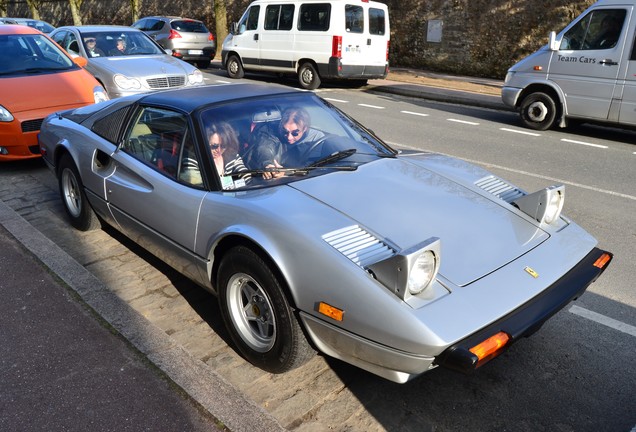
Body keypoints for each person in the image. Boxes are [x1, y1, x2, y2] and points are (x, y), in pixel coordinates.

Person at [247, 107, 324, 180]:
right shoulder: (272, 131)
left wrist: (287, 173)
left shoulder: (317, 138)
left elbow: (312, 166)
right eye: (285, 131)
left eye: (295, 133)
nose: (289, 137)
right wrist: (268, 164)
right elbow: (265, 147)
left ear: (305, 128)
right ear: (280, 126)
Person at [207, 122, 251, 189]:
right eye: (214, 146)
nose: (219, 150)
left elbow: (245, 175)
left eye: (223, 146)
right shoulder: (196, 162)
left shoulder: (232, 156)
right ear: (206, 142)